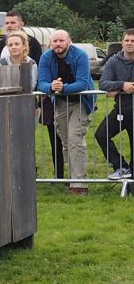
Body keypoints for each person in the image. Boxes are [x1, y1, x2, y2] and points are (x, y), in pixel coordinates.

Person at [36, 30, 94, 194]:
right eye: (54, 41)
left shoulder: (80, 56)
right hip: (60, 103)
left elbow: (83, 83)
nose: (58, 44)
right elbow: (42, 83)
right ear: (50, 43)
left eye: (61, 40)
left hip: (81, 102)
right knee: (66, 142)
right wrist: (51, 87)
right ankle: (73, 178)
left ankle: (80, 184)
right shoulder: (46, 57)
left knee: (75, 138)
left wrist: (63, 88)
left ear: (69, 42)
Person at [95, 28, 134, 181]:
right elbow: (103, 84)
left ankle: (130, 187)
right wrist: (122, 85)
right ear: (122, 43)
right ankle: (120, 166)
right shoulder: (113, 61)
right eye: (127, 40)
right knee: (101, 134)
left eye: (133, 41)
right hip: (120, 110)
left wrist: (117, 88)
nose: (130, 43)